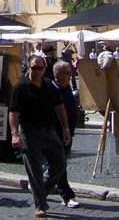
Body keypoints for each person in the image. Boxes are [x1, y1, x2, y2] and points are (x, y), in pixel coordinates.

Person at [9, 56, 72, 217]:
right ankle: (40, 205)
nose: (36, 71)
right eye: (33, 68)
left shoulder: (49, 85)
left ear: (45, 70)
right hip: (29, 133)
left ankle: (41, 189)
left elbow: (59, 107)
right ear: (28, 69)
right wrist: (14, 134)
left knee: (60, 163)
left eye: (40, 68)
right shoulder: (21, 87)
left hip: (48, 131)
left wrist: (65, 128)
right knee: (34, 170)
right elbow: (13, 112)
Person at [49, 60, 79, 207]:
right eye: (68, 73)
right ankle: (67, 195)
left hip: (68, 133)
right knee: (60, 164)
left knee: (57, 164)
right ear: (58, 74)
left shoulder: (67, 88)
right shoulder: (51, 89)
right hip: (56, 133)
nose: (70, 76)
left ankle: (40, 184)